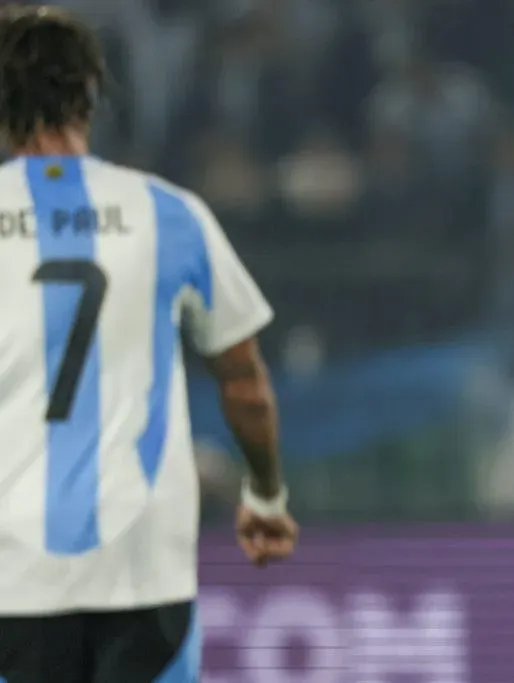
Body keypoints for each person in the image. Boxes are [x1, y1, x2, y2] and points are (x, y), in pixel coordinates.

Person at [0, 7, 297, 682]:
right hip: (140, 565)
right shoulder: (168, 213)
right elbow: (244, 380)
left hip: (11, 567)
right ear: (90, 95)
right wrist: (266, 495)